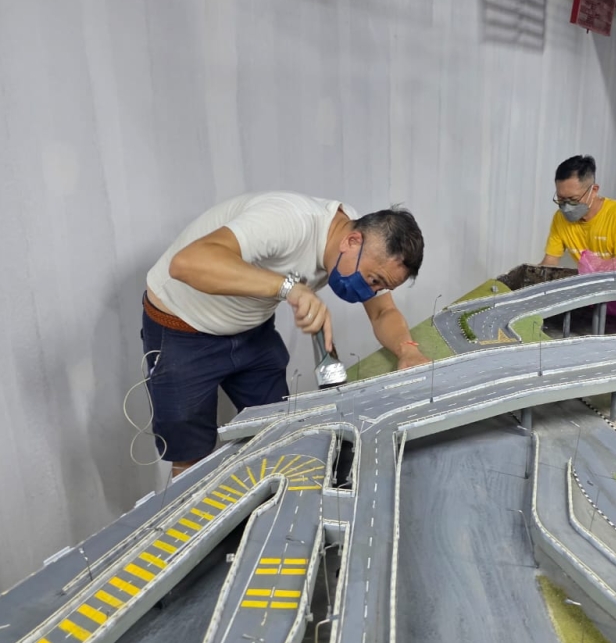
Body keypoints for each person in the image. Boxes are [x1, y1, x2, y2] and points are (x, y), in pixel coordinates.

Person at [141, 191, 428, 475]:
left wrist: (407, 350)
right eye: (373, 280)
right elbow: (186, 264)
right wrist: (289, 287)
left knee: (280, 433)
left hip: (251, 330)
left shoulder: (362, 239)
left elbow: (382, 312)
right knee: (192, 458)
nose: (371, 291)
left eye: (381, 286)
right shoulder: (287, 222)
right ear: (351, 241)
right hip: (182, 331)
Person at [540, 154, 616, 266]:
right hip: (592, 279)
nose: (566, 206)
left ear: (594, 190)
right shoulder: (560, 218)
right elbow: (550, 261)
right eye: (561, 199)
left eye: (573, 199)